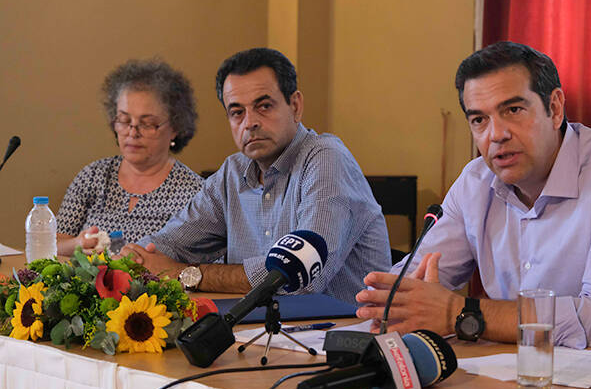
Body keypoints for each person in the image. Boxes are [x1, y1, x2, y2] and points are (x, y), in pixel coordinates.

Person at [355, 41, 591, 361]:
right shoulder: (475, 182)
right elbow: (411, 285)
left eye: (513, 110)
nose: (496, 135)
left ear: (555, 108)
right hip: (524, 374)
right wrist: (395, 301)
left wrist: (458, 312)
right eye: (479, 120)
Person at [122, 48, 390, 304]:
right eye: (237, 112)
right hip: (259, 330)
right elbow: (168, 245)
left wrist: (189, 275)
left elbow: (300, 280)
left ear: (295, 106)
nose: (250, 122)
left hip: (342, 331)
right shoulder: (233, 172)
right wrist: (133, 261)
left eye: (264, 106)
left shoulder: (327, 159)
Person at [56, 59, 203, 256]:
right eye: (124, 120)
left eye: (147, 123)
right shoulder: (93, 176)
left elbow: (199, 264)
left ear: (175, 128)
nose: (133, 133)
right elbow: (53, 243)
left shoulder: (195, 194)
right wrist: (77, 244)